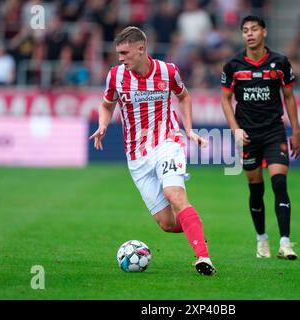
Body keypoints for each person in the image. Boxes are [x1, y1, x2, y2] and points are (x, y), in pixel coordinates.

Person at [89, 26, 216, 275]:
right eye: (118, 53)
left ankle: (203, 257)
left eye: (124, 52)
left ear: (141, 48)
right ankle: (194, 227)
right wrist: (103, 123)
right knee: (167, 224)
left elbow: (184, 97)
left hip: (167, 142)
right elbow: (106, 104)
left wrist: (189, 130)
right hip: (137, 156)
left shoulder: (168, 71)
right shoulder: (115, 76)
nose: (121, 58)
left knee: (174, 194)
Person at [220, 15, 300, 260]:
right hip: (248, 135)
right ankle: (262, 240)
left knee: (279, 183)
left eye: (254, 29)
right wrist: (235, 129)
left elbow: (288, 97)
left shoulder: (280, 63)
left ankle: (285, 243)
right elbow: (225, 99)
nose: (249, 34)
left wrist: (296, 131)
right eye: (245, 30)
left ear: (264, 32)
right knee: (256, 190)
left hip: (274, 131)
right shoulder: (233, 65)